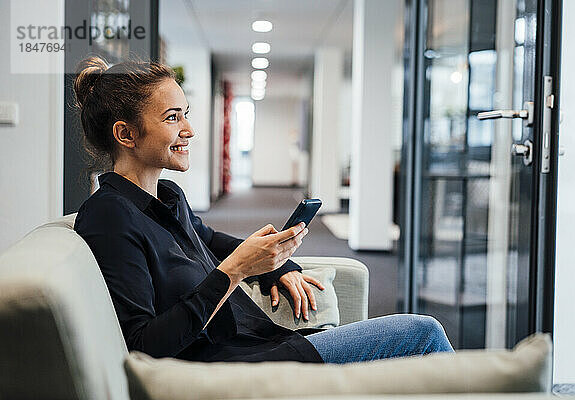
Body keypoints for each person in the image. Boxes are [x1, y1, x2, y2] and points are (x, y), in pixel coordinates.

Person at [73, 56, 453, 364]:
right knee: (423, 333)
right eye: (173, 117)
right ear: (126, 134)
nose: (189, 129)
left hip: (263, 343)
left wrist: (277, 264)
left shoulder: (167, 198)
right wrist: (237, 270)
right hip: (240, 363)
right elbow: (144, 346)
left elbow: (212, 240)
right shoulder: (109, 215)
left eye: (186, 113)